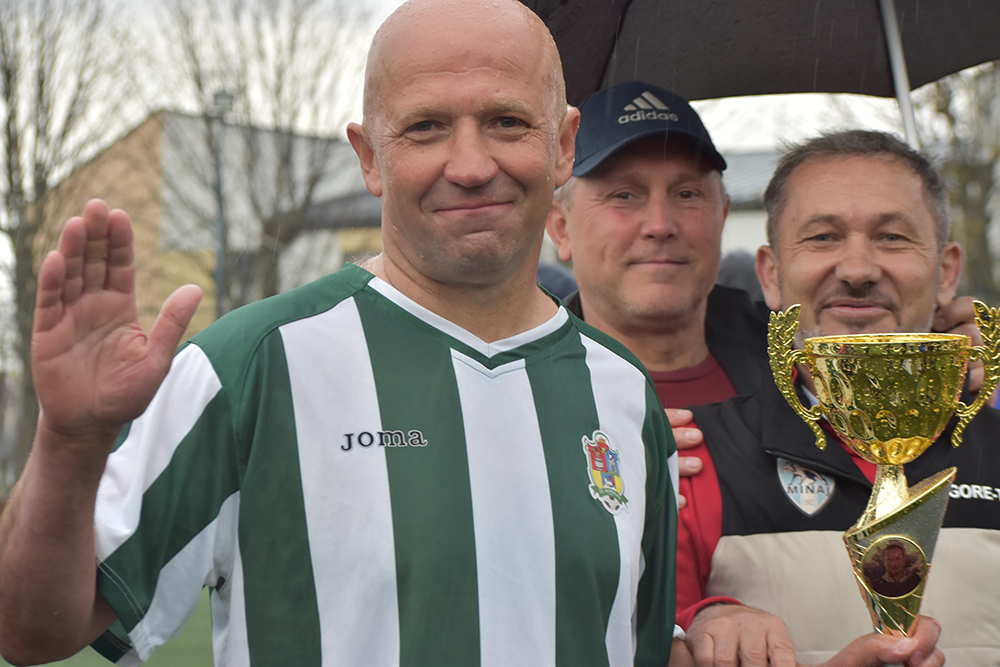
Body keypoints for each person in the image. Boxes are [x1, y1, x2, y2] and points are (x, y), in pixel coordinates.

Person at [0, 2, 686, 665]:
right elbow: (26, 631)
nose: (471, 165)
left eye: (507, 122)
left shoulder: (624, 392)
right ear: (369, 157)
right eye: (425, 127)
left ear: (562, 146)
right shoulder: (251, 367)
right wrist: (70, 442)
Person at [547, 85, 946, 666]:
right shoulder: (518, 400)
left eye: (686, 194)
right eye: (624, 195)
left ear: (723, 215)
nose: (660, 224)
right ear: (559, 228)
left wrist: (938, 355)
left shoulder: (814, 369)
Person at [686, 129, 1000, 664]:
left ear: (947, 272)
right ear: (771, 275)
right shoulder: (692, 458)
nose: (857, 271)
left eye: (893, 237)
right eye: (823, 237)